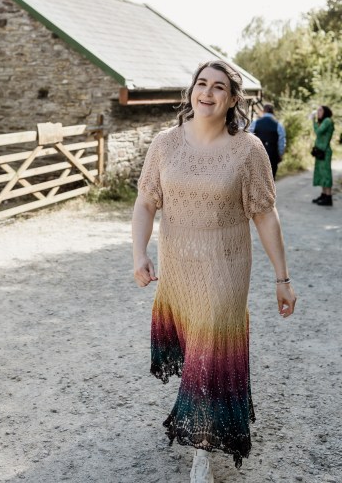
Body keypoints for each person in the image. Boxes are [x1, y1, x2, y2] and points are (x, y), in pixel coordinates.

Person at [132, 60, 296, 483]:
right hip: (179, 267)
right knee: (195, 348)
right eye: (201, 84)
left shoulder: (248, 150)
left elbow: (265, 214)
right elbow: (146, 202)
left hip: (226, 267)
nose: (207, 92)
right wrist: (139, 254)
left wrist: (283, 278)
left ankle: (203, 446)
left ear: (233, 99)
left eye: (218, 87)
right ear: (191, 91)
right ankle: (209, 413)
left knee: (210, 347)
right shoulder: (165, 144)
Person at [249, 103, 286, 178]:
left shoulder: (255, 123)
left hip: (257, 155)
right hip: (273, 155)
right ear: (273, 112)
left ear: (263, 111)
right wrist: (280, 155)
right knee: (271, 180)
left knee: (257, 180)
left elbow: (248, 137)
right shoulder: (278, 125)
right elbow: (281, 142)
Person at [311, 105, 334, 206]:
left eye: (320, 110)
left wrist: (313, 121)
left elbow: (318, 131)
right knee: (321, 173)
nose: (318, 112)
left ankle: (328, 197)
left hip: (325, 151)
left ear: (326, 111)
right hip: (320, 151)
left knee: (326, 173)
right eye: (317, 110)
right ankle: (324, 194)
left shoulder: (328, 121)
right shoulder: (324, 121)